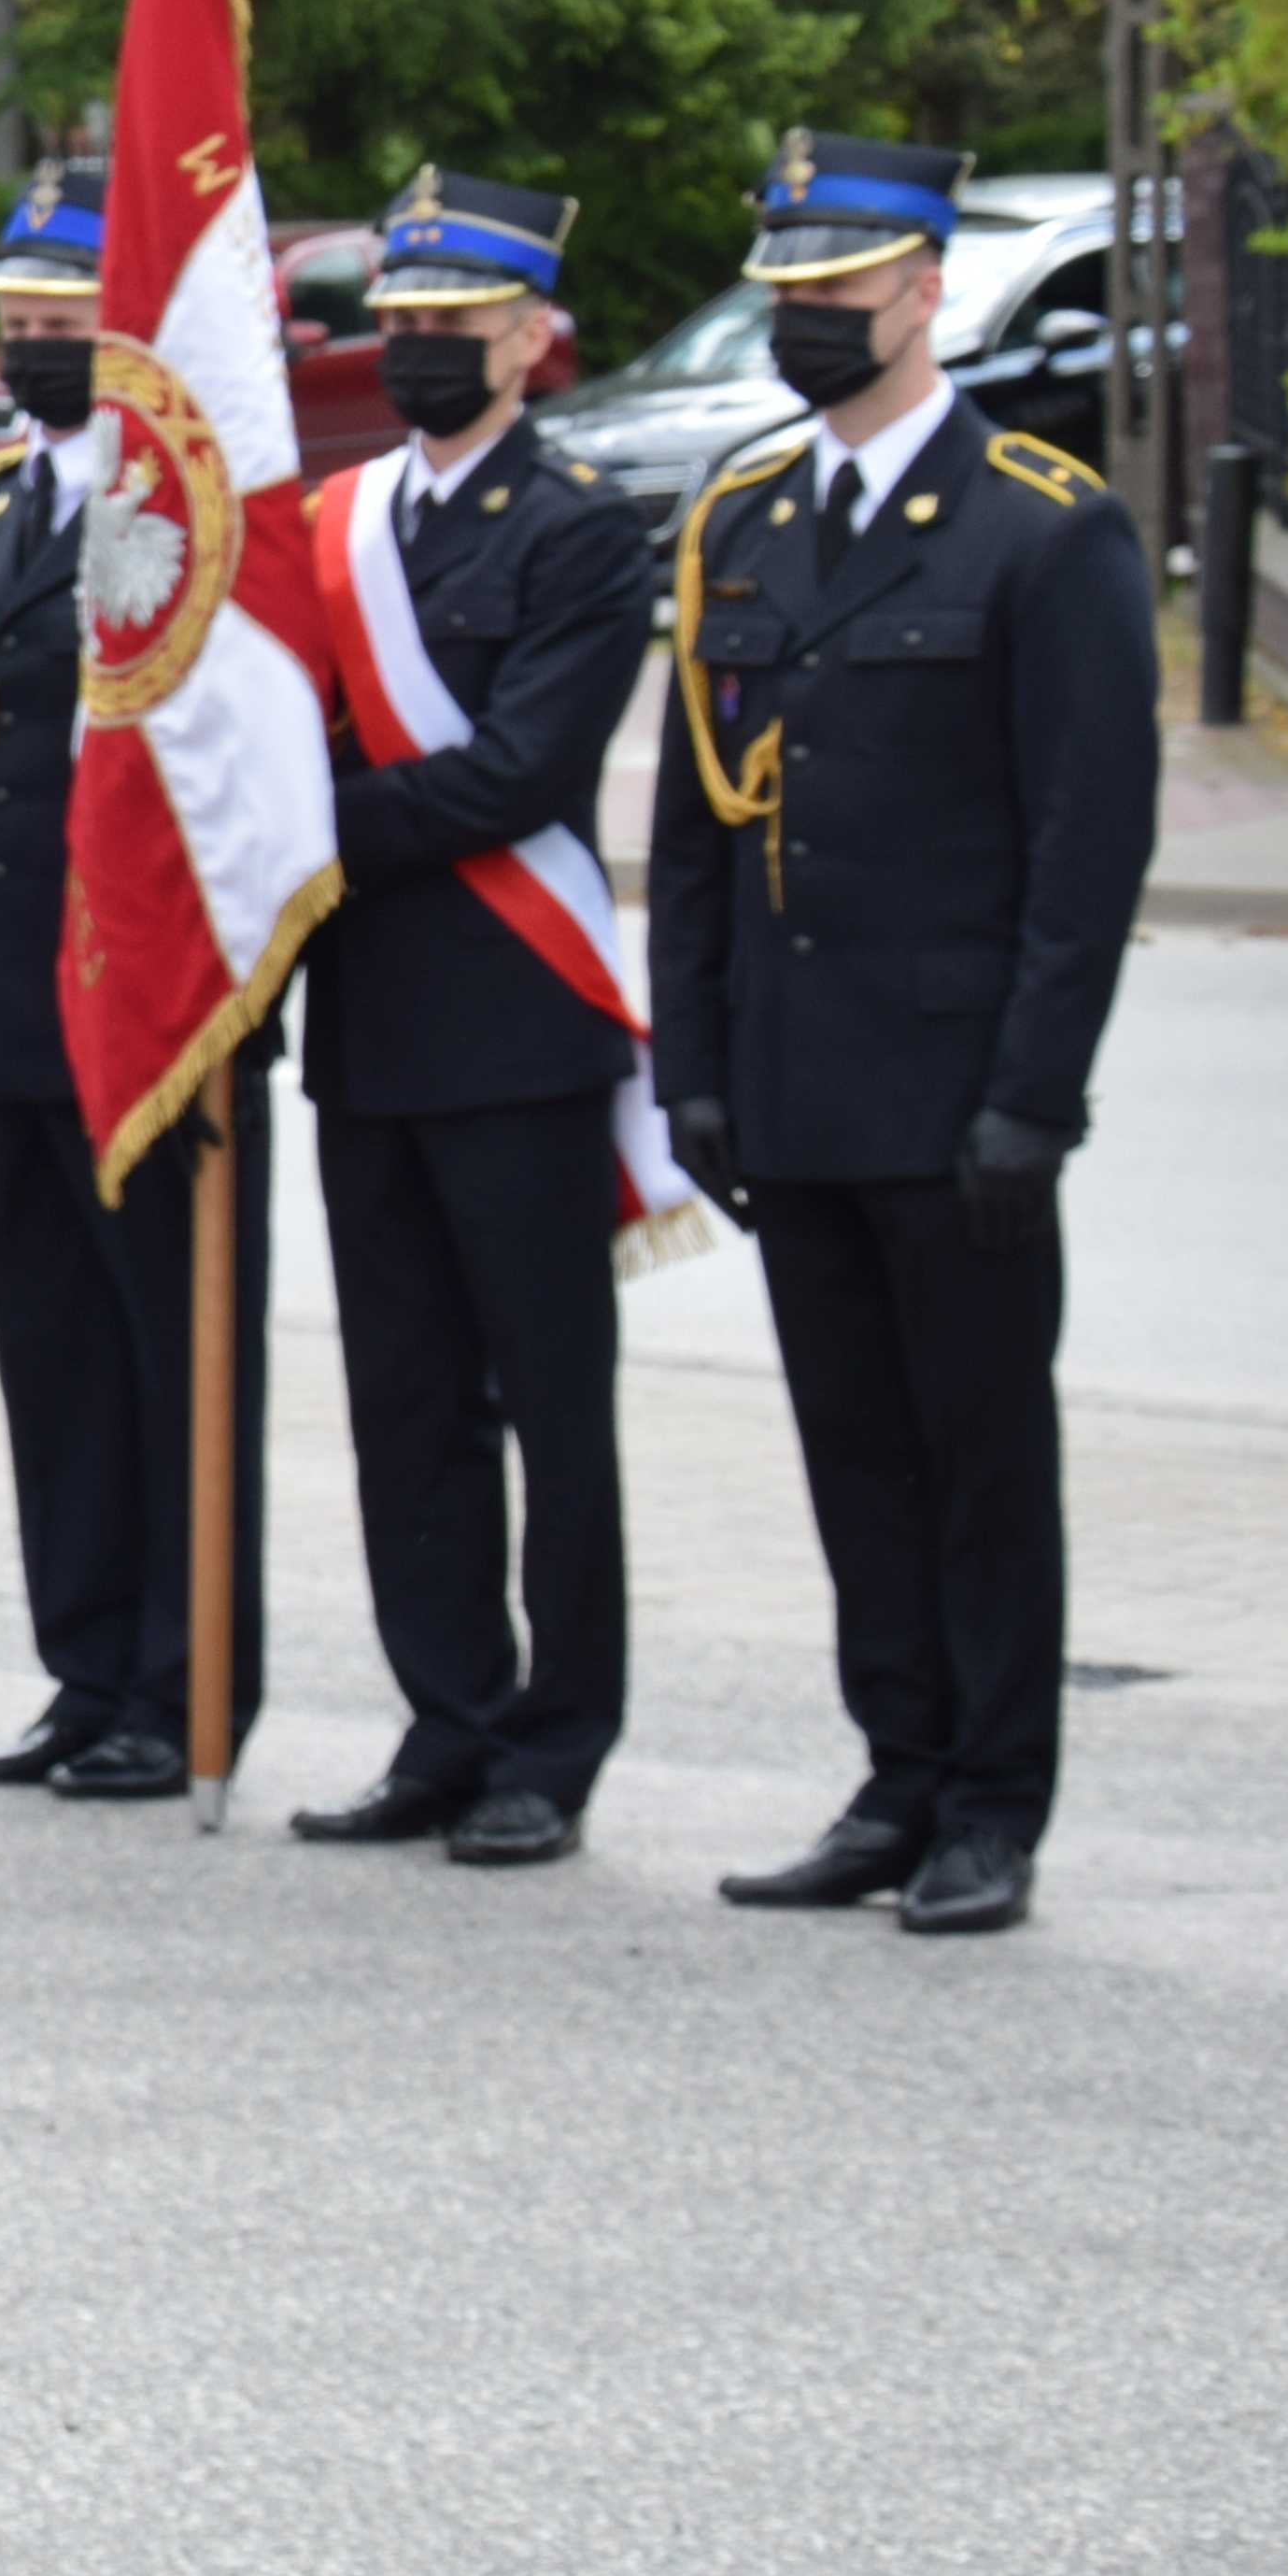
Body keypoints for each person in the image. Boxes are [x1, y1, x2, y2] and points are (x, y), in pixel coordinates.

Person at [651, 129, 1156, 1939]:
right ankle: (898, 1770)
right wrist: (694, 1065)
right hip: (795, 1081)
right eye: (788, 289)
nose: (811, 316)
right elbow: (698, 830)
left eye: (843, 287)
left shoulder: (1043, 521)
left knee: (980, 1457)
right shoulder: (746, 517)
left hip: (958, 1099)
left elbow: (1088, 845)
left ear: (928, 288)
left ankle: (992, 1805)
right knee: (856, 1452)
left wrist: (1035, 1094)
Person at [286, 170, 667, 1869]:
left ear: (530, 340)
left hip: (518, 1027)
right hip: (370, 1029)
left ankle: (554, 1745)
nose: (422, 349)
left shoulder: (582, 527)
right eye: (404, 323)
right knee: (408, 1401)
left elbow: (520, 773)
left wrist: (299, 835)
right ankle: (446, 1720)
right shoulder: (336, 521)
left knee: (552, 1405)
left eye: (457, 325)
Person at [0, 164, 271, 1804]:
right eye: (17, 320)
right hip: (5, 1007)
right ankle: (87, 1665)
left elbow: (232, 774)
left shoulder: (179, 510)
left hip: (151, 1014)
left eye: (64, 317)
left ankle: (185, 1686)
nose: (34, 344)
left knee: (168, 1358)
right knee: (52, 1358)